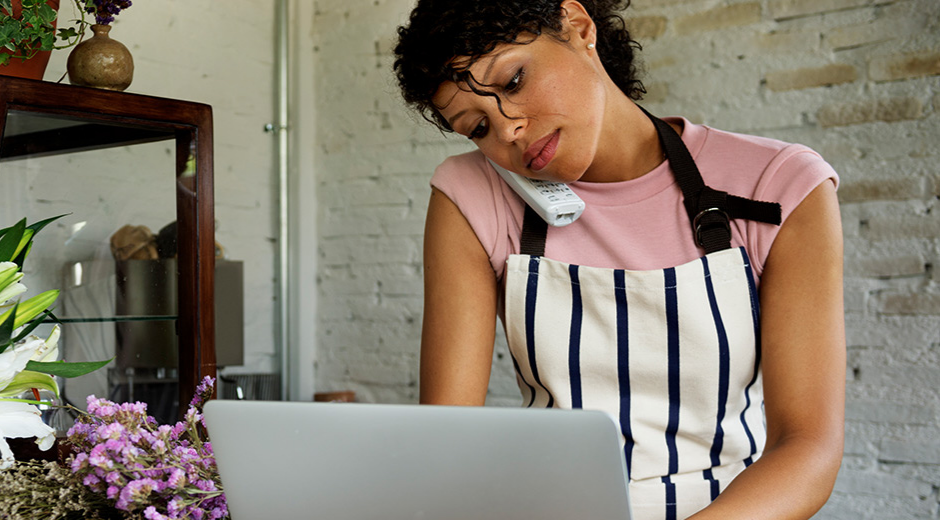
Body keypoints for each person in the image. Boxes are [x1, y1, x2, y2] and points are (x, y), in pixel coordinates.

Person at [393, 1, 845, 518]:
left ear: (578, 27)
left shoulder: (779, 184)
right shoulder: (470, 194)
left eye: (513, 81)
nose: (508, 129)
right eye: (477, 126)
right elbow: (449, 448)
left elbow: (807, 450)